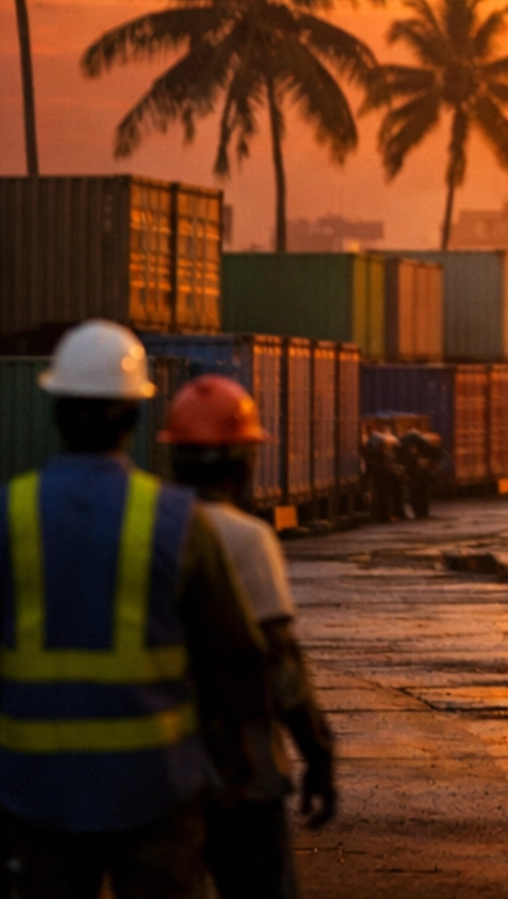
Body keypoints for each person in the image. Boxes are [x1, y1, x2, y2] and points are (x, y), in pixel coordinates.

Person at [0, 320, 268, 899]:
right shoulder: (176, 521)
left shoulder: (9, 514)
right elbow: (237, 657)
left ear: (56, 409)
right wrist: (239, 754)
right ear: (133, 415)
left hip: (34, 791)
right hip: (155, 788)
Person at [160, 374, 336, 899]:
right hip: (243, 769)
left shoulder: (145, 529)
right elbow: (279, 664)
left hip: (160, 768)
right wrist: (319, 751)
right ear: (243, 462)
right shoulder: (246, 537)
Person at [396, 424, 442, 521]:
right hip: (422, 474)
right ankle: (422, 512)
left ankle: (419, 512)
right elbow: (437, 455)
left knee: (415, 493)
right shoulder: (423, 443)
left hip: (414, 474)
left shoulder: (404, 443)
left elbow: (401, 460)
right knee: (423, 493)